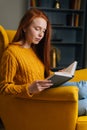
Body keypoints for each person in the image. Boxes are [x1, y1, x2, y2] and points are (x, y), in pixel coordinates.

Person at [0, 8, 87, 116]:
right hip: (37, 100)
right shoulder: (11, 53)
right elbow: (3, 88)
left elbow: (39, 74)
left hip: (45, 91)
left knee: (84, 86)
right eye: (37, 29)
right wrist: (29, 88)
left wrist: (57, 74)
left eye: (43, 31)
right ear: (24, 27)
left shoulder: (33, 50)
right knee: (85, 102)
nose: (41, 35)